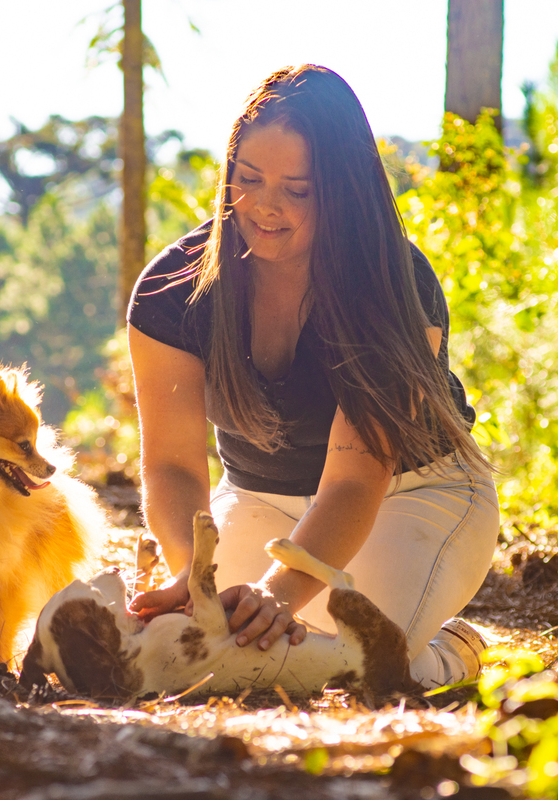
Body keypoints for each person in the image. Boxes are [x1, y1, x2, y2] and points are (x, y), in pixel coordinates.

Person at [125, 64, 500, 689]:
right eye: (248, 180)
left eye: (297, 189)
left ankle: (452, 653)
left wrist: (280, 589)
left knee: (361, 668)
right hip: (259, 502)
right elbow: (172, 467)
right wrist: (197, 573)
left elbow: (357, 481)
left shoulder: (395, 284)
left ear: (342, 190)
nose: (264, 206)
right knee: (208, 653)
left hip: (412, 497)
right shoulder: (171, 294)